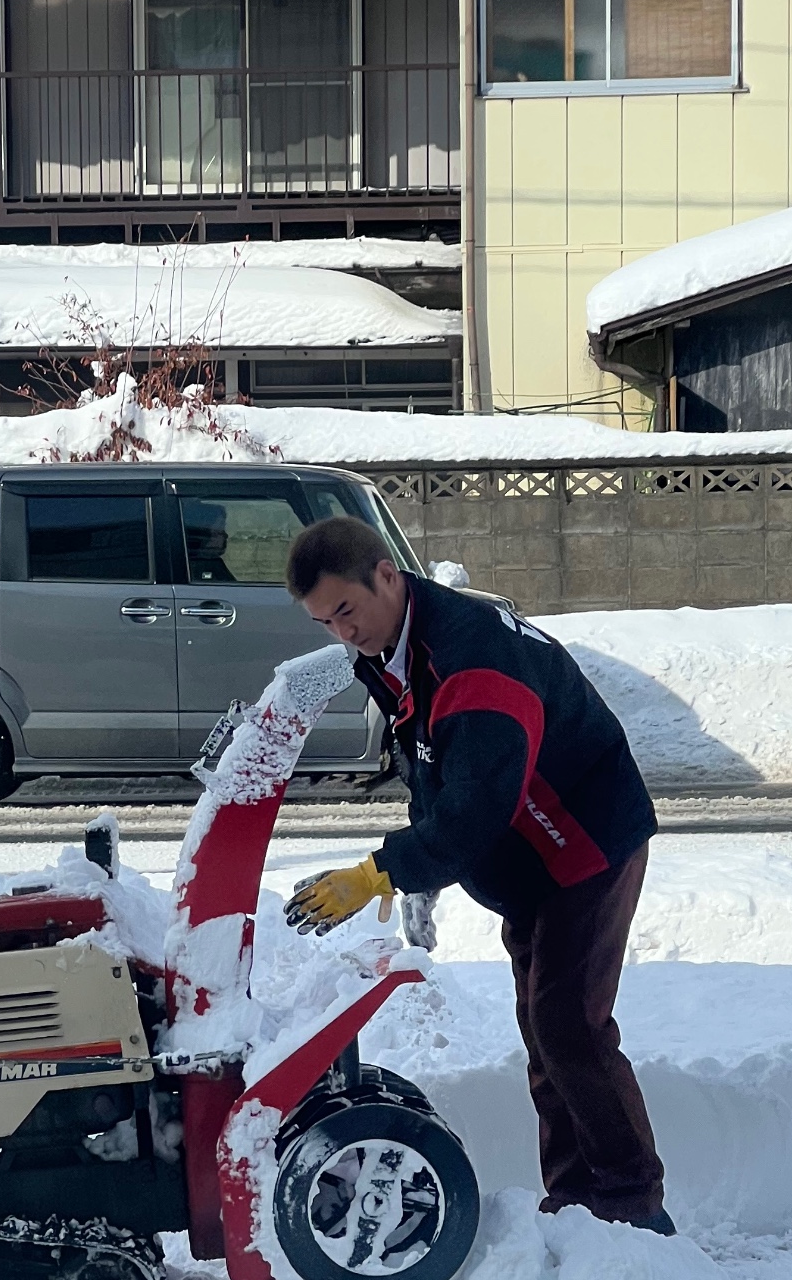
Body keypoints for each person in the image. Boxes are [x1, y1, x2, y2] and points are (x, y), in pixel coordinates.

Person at [283, 515, 670, 1233]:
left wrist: (383, 871)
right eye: (322, 621)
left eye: (346, 610)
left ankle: (631, 1205)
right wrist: (421, 862)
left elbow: (475, 809)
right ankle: (577, 1203)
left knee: (568, 1027)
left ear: (386, 577)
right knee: (545, 1026)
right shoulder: (395, 645)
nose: (341, 632)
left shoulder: (473, 660)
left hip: (581, 845)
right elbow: (434, 767)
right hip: (531, 860)